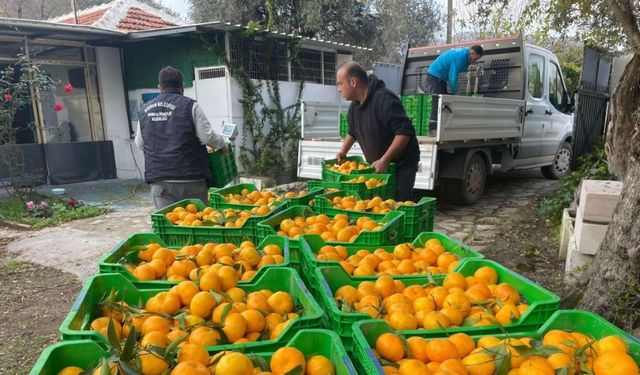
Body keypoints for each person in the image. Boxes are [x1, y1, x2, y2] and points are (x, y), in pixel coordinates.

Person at [135, 66, 228, 209]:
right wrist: (222, 146)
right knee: (195, 224)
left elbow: (140, 144)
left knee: (168, 226)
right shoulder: (190, 106)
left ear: (160, 87)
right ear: (182, 86)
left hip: (160, 180)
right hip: (190, 178)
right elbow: (207, 137)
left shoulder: (144, 110)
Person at [335, 61, 420, 201]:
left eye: (340, 84)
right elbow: (353, 131)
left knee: (399, 203)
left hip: (401, 165)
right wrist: (343, 151)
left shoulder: (384, 99)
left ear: (353, 82)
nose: (339, 89)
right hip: (378, 165)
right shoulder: (354, 106)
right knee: (379, 204)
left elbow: (404, 133)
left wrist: (384, 160)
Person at [426, 45, 484, 135]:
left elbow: (459, 71)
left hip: (440, 78)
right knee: (437, 102)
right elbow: (453, 76)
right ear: (472, 53)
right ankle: (433, 129)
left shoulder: (465, 55)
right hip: (434, 75)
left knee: (443, 103)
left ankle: (441, 128)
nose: (474, 62)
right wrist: (455, 92)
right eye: (474, 59)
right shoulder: (461, 57)